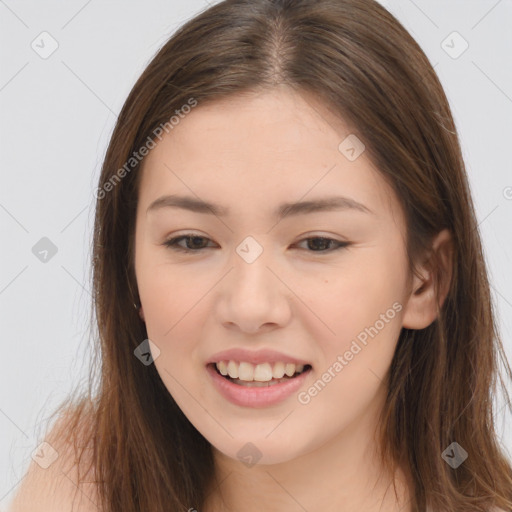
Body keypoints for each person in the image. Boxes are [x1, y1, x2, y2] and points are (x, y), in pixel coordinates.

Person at [9, 0, 512, 511]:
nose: (249, 308)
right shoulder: (65, 488)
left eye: (318, 243)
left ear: (425, 280)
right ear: (130, 272)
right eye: (192, 241)